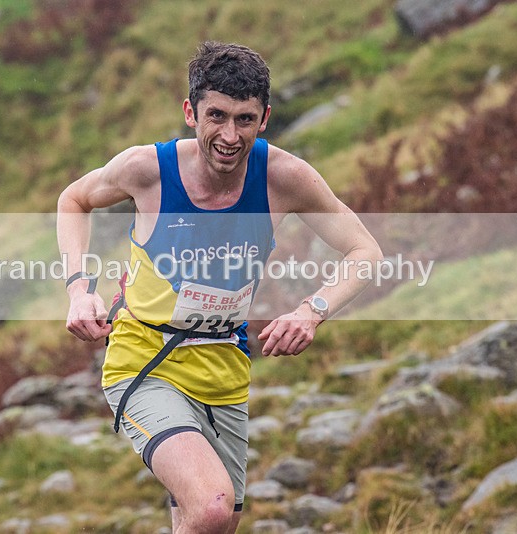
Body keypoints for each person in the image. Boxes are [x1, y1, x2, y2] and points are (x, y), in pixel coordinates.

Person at [57, 41, 382, 533]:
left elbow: (365, 252)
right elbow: (73, 201)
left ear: (265, 118)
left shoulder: (284, 178)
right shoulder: (148, 170)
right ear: (191, 112)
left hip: (226, 371)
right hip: (146, 360)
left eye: (245, 120)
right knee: (210, 506)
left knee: (210, 524)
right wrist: (79, 289)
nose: (230, 136)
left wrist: (312, 310)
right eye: (217, 116)